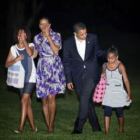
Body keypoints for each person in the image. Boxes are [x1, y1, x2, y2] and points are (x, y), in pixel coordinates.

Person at [62, 22, 106, 134]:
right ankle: (96, 126)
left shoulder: (93, 38)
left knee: (85, 97)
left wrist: (109, 56)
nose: (85, 36)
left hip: (91, 73)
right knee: (86, 101)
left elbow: (99, 52)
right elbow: (66, 62)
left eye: (86, 33)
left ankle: (78, 126)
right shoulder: (68, 43)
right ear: (75, 34)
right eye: (82, 34)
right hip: (77, 75)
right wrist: (69, 80)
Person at [33, 17, 66, 133]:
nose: (43, 26)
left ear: (49, 25)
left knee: (52, 97)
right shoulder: (36, 38)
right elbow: (34, 55)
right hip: (42, 69)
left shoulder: (56, 35)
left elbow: (56, 51)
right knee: (44, 99)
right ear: (39, 25)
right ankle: (48, 125)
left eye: (46, 24)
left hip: (54, 68)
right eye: (41, 24)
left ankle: (51, 125)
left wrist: (48, 37)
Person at [5, 28, 37, 133]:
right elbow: (6, 64)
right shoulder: (13, 48)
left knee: (23, 100)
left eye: (22, 34)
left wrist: (25, 41)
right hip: (19, 79)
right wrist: (15, 59)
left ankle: (21, 128)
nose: (20, 36)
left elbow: (29, 54)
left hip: (30, 77)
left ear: (26, 36)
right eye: (19, 34)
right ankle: (33, 128)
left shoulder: (31, 45)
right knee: (27, 103)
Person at [101, 46, 132, 134]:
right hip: (108, 91)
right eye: (108, 58)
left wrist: (129, 93)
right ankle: (106, 131)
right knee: (107, 111)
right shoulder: (104, 65)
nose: (110, 60)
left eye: (112, 58)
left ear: (117, 57)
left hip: (118, 91)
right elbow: (103, 76)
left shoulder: (121, 66)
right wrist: (102, 74)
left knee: (119, 111)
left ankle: (121, 129)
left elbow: (126, 80)